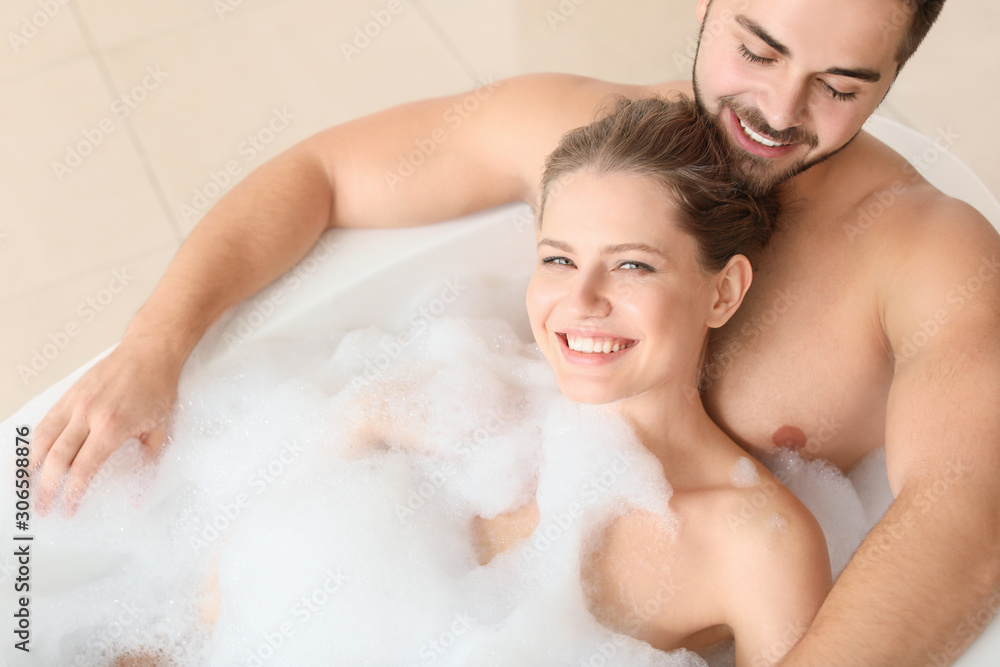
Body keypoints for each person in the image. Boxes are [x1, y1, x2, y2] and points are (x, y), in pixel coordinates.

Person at [30, 0, 1000, 664]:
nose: (778, 111)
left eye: (840, 86)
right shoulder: (588, 139)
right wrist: (155, 345)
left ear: (893, 74)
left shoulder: (923, 251)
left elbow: (967, 517)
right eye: (757, 49)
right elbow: (320, 175)